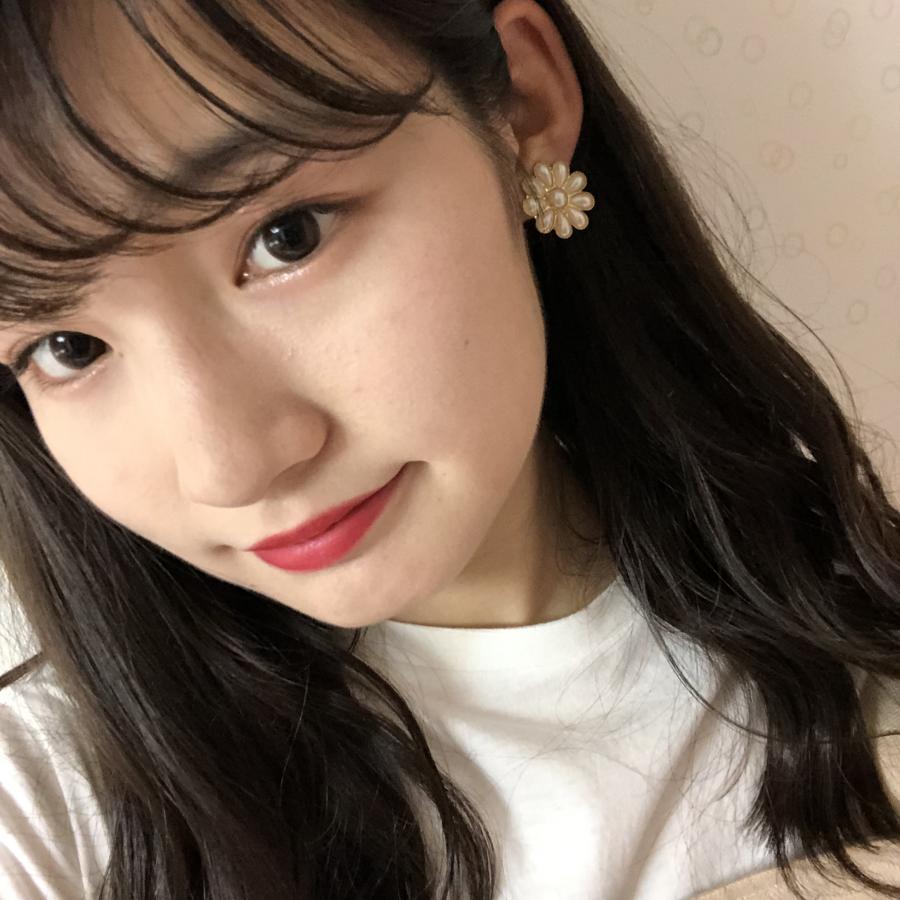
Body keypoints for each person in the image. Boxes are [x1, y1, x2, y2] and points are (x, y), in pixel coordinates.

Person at [0, 0, 899, 897]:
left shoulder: (861, 638)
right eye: (66, 348)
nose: (228, 468)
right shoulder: (42, 815)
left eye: (287, 236)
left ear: (525, 106)